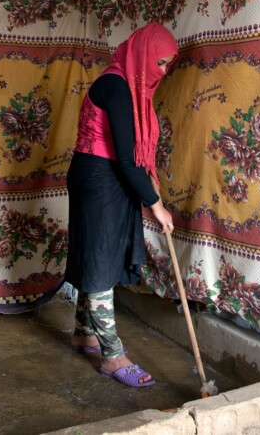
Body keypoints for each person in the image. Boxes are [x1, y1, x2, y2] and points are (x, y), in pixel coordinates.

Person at [64, 22, 177, 388]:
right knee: (99, 256)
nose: (163, 71)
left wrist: (150, 187)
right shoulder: (115, 86)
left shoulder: (134, 91)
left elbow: (134, 157)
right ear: (143, 55)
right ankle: (113, 357)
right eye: (160, 62)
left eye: (167, 65)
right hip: (98, 176)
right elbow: (128, 159)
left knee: (103, 253)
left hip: (111, 174)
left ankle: (84, 332)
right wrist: (156, 205)